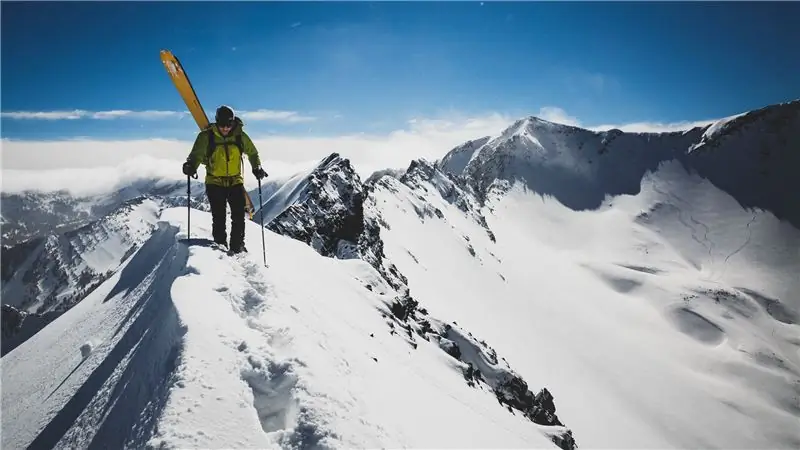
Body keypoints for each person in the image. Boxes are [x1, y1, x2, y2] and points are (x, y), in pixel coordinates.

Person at [182, 105, 267, 253]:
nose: (226, 128)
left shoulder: (240, 136)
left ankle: (237, 246)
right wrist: (191, 166)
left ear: (233, 122)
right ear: (217, 122)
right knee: (219, 217)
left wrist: (257, 167)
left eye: (229, 124)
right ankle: (220, 246)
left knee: (239, 216)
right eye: (222, 125)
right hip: (214, 182)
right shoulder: (206, 136)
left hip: (235, 181)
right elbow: (197, 155)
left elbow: (252, 153)